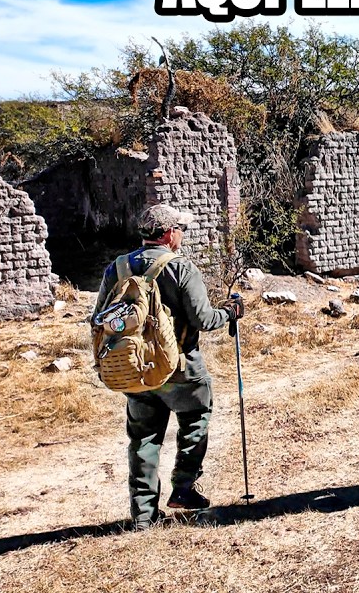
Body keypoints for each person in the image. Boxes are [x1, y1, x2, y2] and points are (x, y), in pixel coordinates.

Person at [91, 204, 243, 531]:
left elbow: (99, 320)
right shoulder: (181, 268)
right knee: (196, 417)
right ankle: (184, 488)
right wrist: (230, 312)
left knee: (143, 439)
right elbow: (204, 319)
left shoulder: (116, 269)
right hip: (179, 369)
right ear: (169, 234)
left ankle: (144, 516)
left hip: (135, 369)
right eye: (181, 229)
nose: (183, 234)